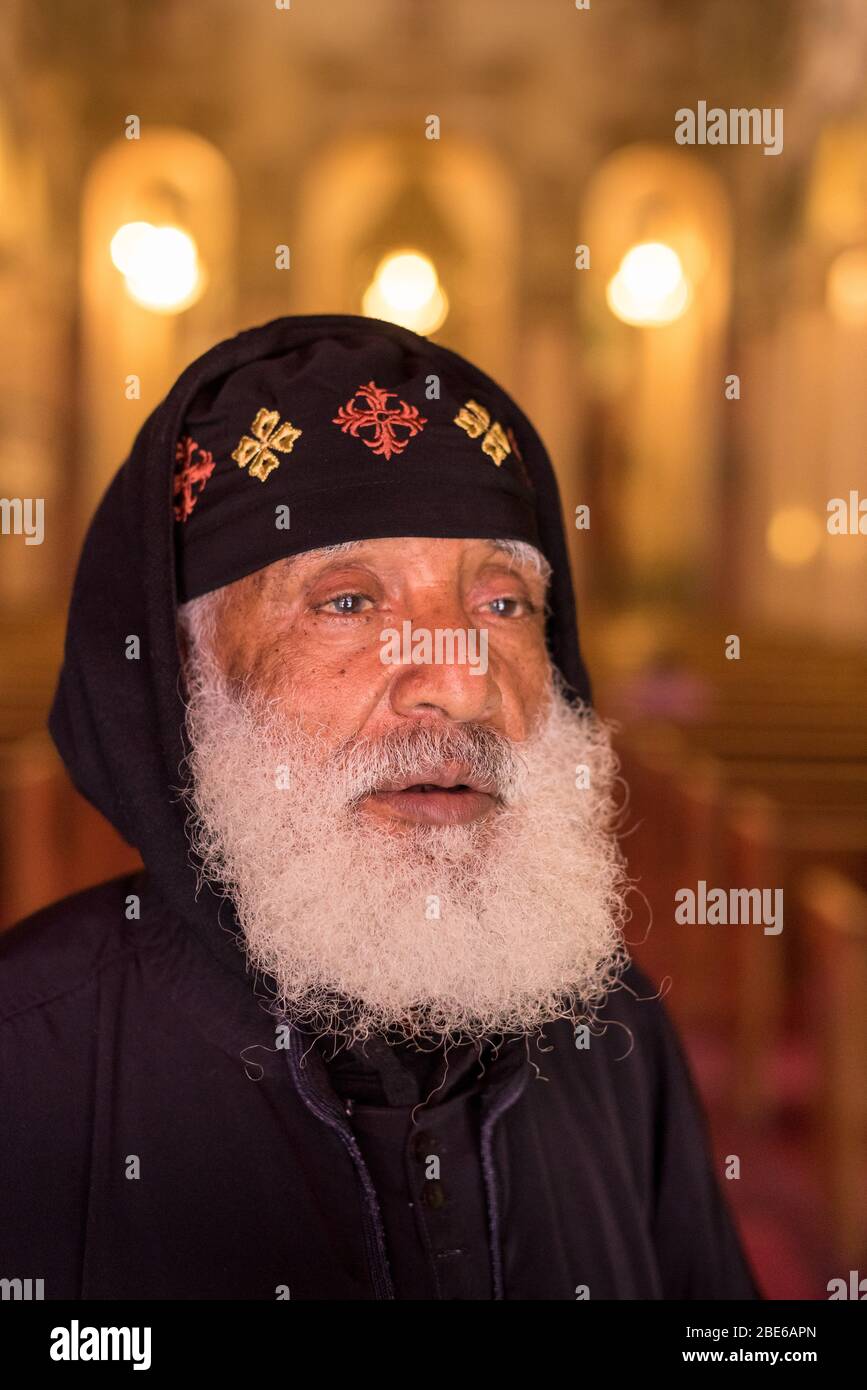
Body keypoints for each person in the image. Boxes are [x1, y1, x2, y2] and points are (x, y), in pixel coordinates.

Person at [0, 314, 761, 1300]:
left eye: (502, 605)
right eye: (348, 603)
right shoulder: (30, 1057)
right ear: (189, 680)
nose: (458, 683)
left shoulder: (613, 1026)